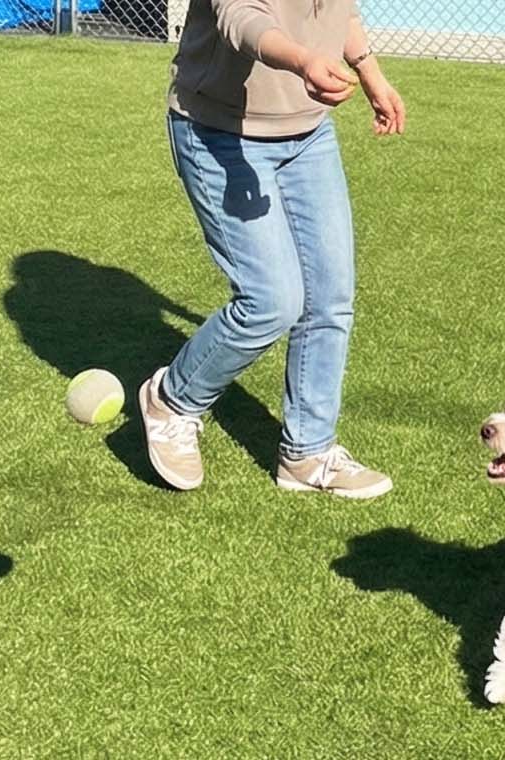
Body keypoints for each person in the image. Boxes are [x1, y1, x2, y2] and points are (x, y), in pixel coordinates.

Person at [140, 0, 406, 498]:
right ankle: (172, 400)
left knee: (330, 299)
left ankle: (308, 452)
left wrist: (370, 74)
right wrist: (303, 60)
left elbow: (339, 11)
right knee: (270, 302)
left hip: (307, 133)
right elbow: (241, 18)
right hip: (218, 131)